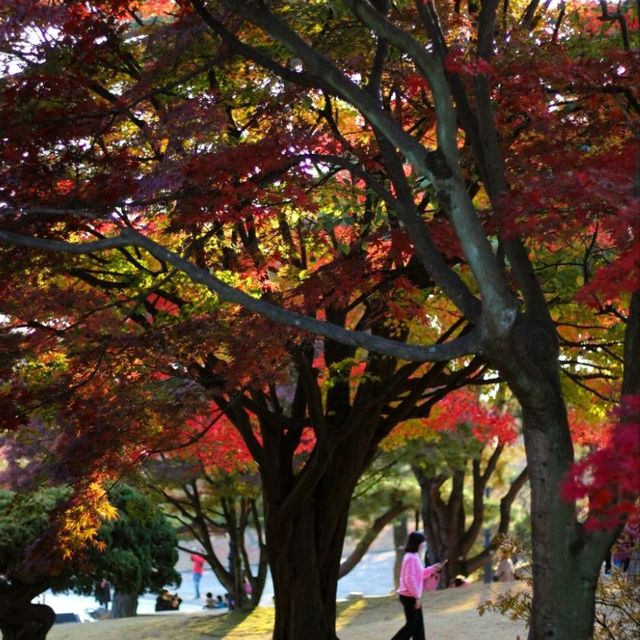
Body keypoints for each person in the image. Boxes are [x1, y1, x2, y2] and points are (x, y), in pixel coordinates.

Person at [390, 531, 444, 640]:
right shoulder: (410, 558)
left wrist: (433, 569)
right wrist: (417, 597)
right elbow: (409, 580)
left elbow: (419, 574)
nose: (424, 544)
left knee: (418, 627)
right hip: (409, 596)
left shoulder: (414, 556)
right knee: (411, 626)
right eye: (422, 542)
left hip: (412, 595)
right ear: (417, 543)